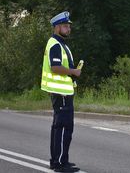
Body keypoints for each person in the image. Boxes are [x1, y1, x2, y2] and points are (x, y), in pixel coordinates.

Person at [41, 11, 81, 172]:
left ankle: (61, 160)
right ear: (57, 28)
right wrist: (73, 72)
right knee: (63, 128)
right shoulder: (56, 44)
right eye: (65, 26)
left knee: (63, 128)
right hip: (61, 93)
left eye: (69, 26)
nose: (68, 29)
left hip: (63, 92)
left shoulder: (61, 44)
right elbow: (55, 67)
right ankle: (58, 163)